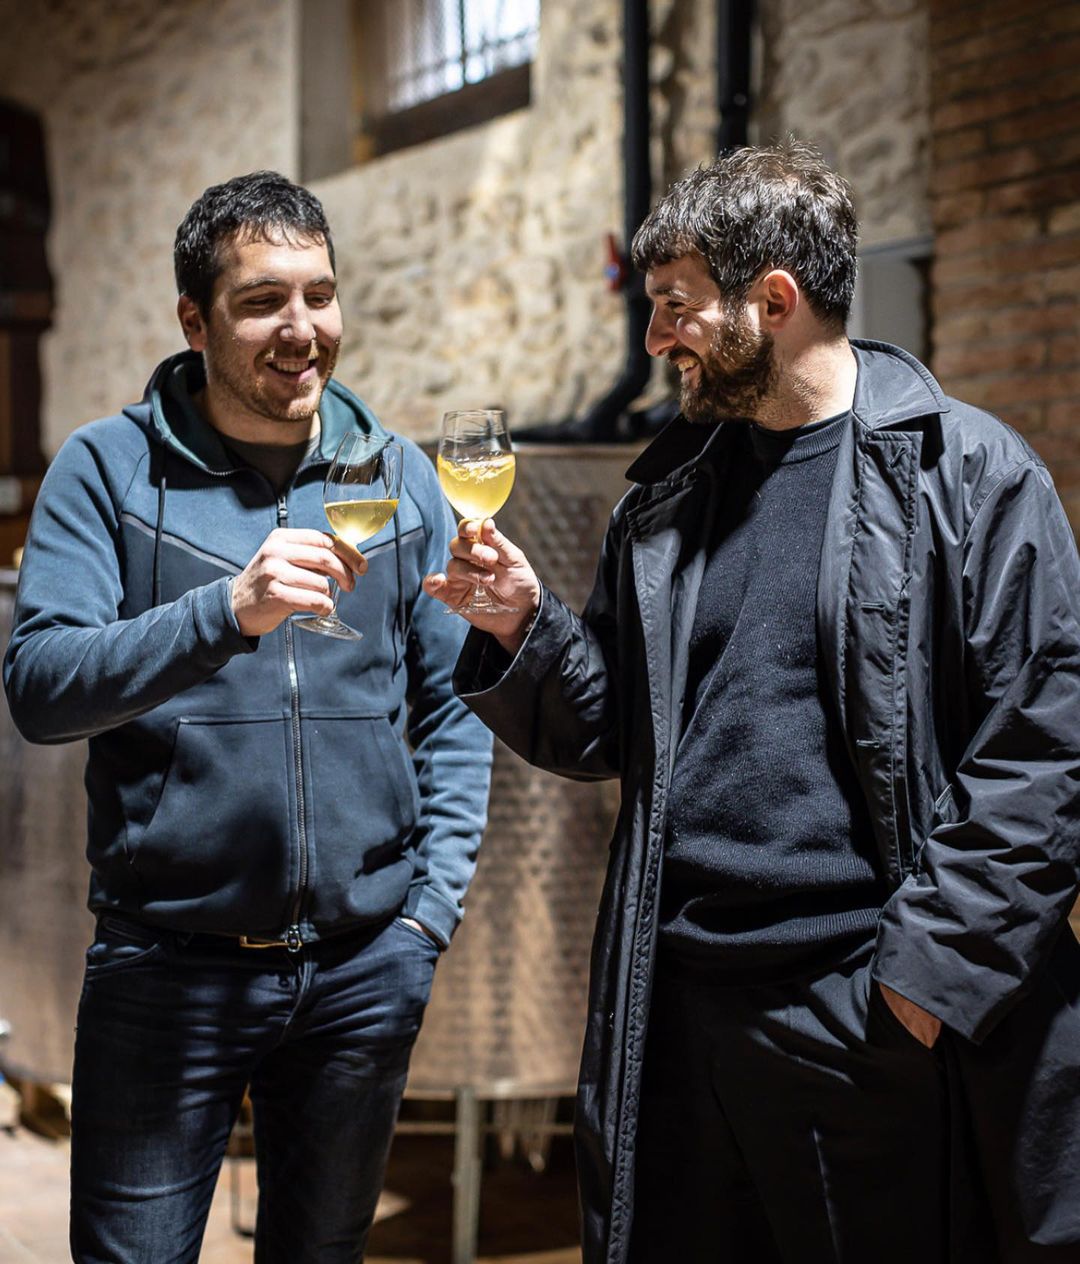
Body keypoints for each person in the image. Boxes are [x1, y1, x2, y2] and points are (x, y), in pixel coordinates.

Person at [423, 142, 1080, 1263]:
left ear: (773, 301)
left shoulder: (968, 474)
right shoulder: (668, 494)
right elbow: (608, 727)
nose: (653, 339)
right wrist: (525, 628)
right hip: (677, 1012)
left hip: (863, 1012)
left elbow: (1043, 748)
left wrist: (920, 986)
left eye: (676, 305)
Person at [3, 170, 492, 1263]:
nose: (302, 329)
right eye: (263, 301)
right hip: (167, 968)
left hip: (364, 971)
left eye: (320, 295)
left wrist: (427, 916)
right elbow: (40, 686)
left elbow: (451, 705)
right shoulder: (107, 469)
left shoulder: (395, 475)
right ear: (196, 320)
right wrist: (225, 611)